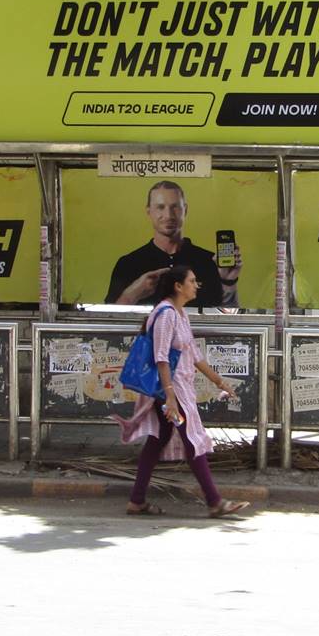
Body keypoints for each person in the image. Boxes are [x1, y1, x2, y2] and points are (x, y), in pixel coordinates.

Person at [114, 265, 249, 518]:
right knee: (192, 438)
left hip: (176, 389)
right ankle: (215, 502)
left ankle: (137, 500)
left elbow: (194, 354)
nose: (196, 285)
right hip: (172, 390)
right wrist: (170, 397)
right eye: (192, 281)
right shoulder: (166, 314)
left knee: (159, 440)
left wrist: (219, 382)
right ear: (178, 286)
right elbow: (161, 357)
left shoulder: (180, 314)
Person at [104, 180, 241, 307]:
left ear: (185, 210)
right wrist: (132, 294)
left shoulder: (210, 262)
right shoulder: (127, 264)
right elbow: (108, 321)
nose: (168, 215)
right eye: (160, 207)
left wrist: (229, 282)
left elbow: (229, 319)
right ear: (149, 211)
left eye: (175, 207)